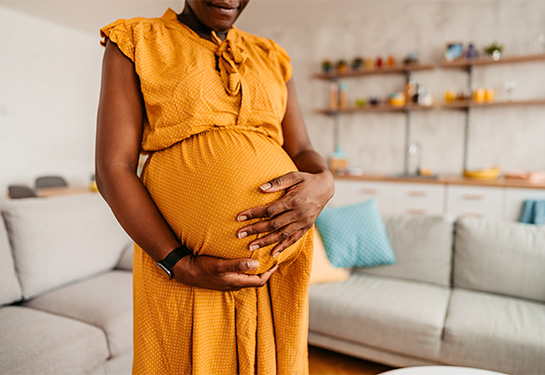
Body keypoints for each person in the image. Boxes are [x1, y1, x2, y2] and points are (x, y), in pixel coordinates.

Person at [96, 1, 334, 374]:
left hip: (275, 277)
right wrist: (179, 263)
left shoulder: (272, 57)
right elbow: (114, 168)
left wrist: (325, 182)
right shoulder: (136, 41)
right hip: (182, 271)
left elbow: (302, 149)